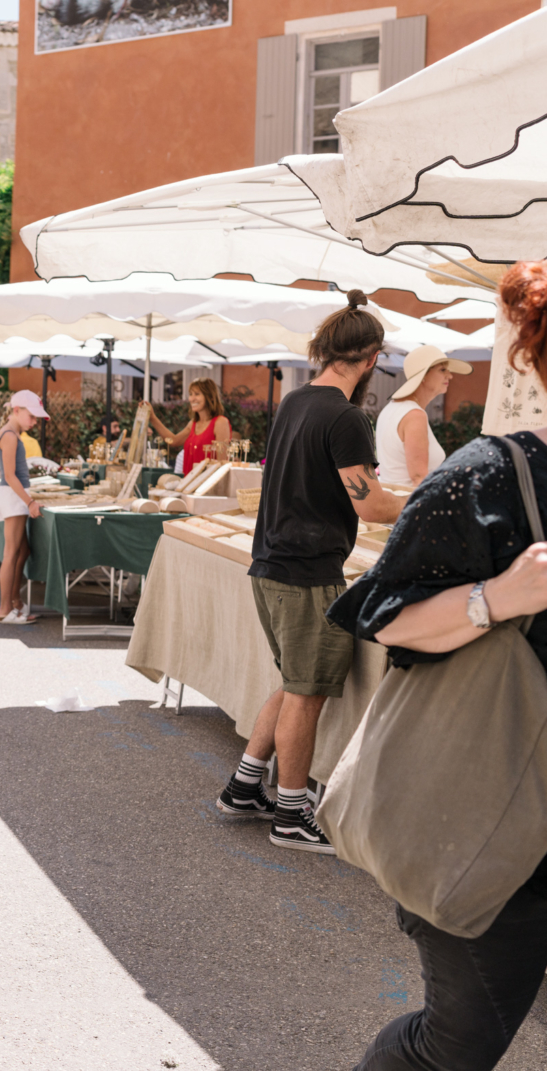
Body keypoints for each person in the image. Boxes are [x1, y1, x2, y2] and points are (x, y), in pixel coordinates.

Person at [327, 260, 547, 1071]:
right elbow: (387, 620)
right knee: (458, 1043)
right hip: (490, 822)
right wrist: (499, 595)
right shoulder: (484, 479)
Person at [217, 290, 401, 852]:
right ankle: (292, 815)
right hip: (306, 572)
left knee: (294, 683)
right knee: (306, 694)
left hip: (272, 564)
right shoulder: (346, 418)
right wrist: (426, 499)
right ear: (371, 358)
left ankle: (246, 787)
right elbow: (369, 506)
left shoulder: (297, 401)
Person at [375, 345, 472, 486]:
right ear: (424, 375)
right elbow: (419, 478)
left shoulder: (391, 409)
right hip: (408, 502)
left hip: (395, 500)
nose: (450, 375)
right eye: (442, 369)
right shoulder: (414, 415)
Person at [0, 392, 48, 624]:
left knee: (21, 551)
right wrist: (30, 502)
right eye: (32, 416)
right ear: (17, 410)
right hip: (13, 497)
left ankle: (15, 602)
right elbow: (9, 475)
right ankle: (5, 610)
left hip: (13, 496)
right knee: (11, 553)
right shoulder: (10, 435)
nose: (34, 422)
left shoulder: (10, 432)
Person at [143, 377, 230, 475]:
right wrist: (152, 418)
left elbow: (222, 463)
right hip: (188, 484)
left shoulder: (220, 422)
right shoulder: (193, 423)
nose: (192, 399)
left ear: (210, 397)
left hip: (207, 486)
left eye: (197, 394)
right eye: (191, 394)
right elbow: (173, 440)